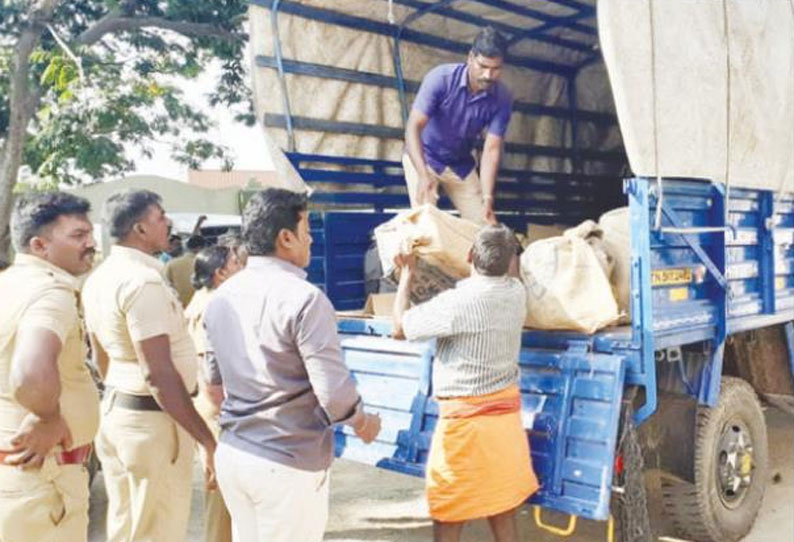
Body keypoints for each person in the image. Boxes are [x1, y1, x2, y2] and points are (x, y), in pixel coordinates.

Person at [204, 188, 382, 542]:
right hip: (285, 465)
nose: (312, 241)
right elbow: (333, 394)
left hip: (236, 454)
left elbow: (213, 385)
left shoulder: (221, 297)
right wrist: (362, 422)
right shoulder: (305, 299)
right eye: (306, 231)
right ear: (285, 238)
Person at [82, 189, 216, 542]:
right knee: (157, 530)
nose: (168, 221)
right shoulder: (141, 282)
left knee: (129, 525)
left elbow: (102, 357)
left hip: (120, 413)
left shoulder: (99, 277)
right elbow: (157, 373)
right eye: (160, 216)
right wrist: (206, 439)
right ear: (140, 229)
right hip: (153, 423)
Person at [393, 224, 538, 542]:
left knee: (448, 513)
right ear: (511, 261)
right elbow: (509, 273)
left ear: (470, 255)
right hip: (503, 422)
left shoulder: (457, 303)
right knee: (503, 508)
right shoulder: (516, 294)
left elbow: (400, 327)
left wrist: (407, 272)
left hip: (464, 426)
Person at [0, 192, 100, 542]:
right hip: (42, 477)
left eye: (90, 233)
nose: (91, 243)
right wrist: (47, 417)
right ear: (40, 245)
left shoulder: (9, 284)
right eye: (78, 236)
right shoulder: (50, 293)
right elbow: (30, 375)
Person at [404, 25, 512, 225]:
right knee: (425, 223)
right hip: (425, 157)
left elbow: (491, 150)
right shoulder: (440, 79)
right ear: (470, 57)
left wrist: (488, 198)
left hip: (460, 164)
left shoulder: (503, 97)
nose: (488, 75)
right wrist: (422, 174)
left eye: (495, 69)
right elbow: (413, 127)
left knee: (485, 224)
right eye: (483, 66)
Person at [185, 245, 244, 542]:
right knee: (223, 493)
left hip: (210, 406)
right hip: (217, 409)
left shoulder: (201, 300)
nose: (241, 267)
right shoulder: (213, 304)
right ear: (221, 272)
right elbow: (211, 369)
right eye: (235, 263)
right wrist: (227, 411)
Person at [165, 234, 208, 307]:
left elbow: (165, 287)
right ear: (200, 248)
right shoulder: (206, 264)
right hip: (199, 310)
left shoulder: (171, 264)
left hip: (177, 309)